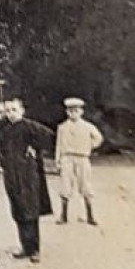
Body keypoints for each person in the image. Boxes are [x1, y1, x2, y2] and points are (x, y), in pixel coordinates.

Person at [0, 97, 56, 262]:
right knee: (18, 208)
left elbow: (49, 136)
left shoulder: (29, 126)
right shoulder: (6, 130)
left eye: (14, 110)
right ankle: (25, 246)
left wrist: (36, 150)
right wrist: (1, 163)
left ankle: (35, 249)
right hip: (11, 174)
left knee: (30, 208)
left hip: (28, 174)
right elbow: (0, 148)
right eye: (7, 110)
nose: (10, 113)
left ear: (22, 111)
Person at [55, 97, 105, 226]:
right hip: (67, 158)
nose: (73, 113)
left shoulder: (87, 126)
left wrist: (90, 146)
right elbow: (58, 145)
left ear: (81, 112)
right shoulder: (62, 127)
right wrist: (58, 160)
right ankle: (63, 215)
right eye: (70, 111)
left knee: (85, 185)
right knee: (65, 186)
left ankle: (90, 215)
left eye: (76, 111)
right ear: (67, 112)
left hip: (82, 157)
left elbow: (98, 138)